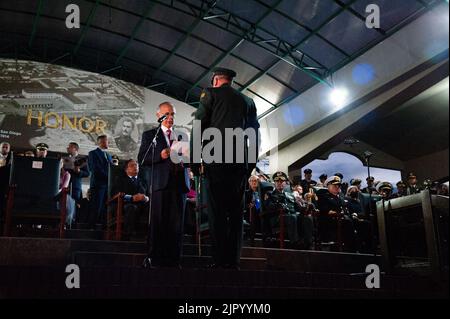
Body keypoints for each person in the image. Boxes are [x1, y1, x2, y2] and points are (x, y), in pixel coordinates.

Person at [191, 67, 259, 269]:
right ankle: (234, 261)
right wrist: (250, 165)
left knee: (217, 212)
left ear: (216, 80)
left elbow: (198, 126)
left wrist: (196, 161)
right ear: (230, 81)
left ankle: (220, 260)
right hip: (239, 164)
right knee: (236, 214)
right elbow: (254, 134)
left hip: (216, 161)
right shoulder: (248, 101)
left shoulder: (210, 94)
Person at [138, 102, 190, 268]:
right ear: (158, 115)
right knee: (158, 222)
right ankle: (154, 257)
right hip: (160, 184)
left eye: (173, 114)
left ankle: (174, 259)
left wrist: (187, 159)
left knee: (176, 224)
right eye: (167, 114)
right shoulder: (150, 135)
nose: (170, 118)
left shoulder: (182, 136)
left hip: (179, 185)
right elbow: (142, 159)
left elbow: (189, 161)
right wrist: (160, 155)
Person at [263, 172, 314, 249]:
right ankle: (295, 242)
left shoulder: (290, 195)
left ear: (285, 183)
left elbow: (298, 208)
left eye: (282, 181)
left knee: (307, 218)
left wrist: (306, 206)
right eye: (277, 181)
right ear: (274, 183)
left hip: (292, 217)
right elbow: (268, 207)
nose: (280, 183)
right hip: (277, 218)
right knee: (292, 217)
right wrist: (278, 205)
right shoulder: (270, 194)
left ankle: (308, 242)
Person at [316, 176, 356, 252]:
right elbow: (325, 210)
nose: (337, 187)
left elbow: (347, 208)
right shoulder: (323, 196)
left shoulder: (340, 197)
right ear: (328, 185)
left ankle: (365, 247)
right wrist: (338, 213)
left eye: (338, 185)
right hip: (330, 221)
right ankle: (351, 248)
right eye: (335, 185)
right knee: (347, 222)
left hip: (343, 218)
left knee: (364, 223)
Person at [112, 159, 149, 240]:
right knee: (131, 207)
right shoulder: (120, 180)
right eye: (132, 165)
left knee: (155, 208)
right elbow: (116, 194)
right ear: (126, 170)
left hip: (142, 204)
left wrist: (146, 198)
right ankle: (128, 236)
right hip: (124, 204)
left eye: (136, 165)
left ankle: (151, 236)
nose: (135, 166)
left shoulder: (143, 181)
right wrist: (131, 198)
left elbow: (148, 195)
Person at [88, 135, 113, 228]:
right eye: (106, 141)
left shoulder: (108, 155)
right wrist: (109, 177)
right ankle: (91, 227)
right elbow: (95, 169)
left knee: (105, 208)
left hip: (108, 186)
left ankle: (103, 227)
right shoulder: (93, 153)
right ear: (101, 142)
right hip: (98, 185)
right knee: (96, 207)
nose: (108, 143)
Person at [0, 142, 11, 217]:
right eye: (3, 147)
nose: (4, 149)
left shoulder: (12, 158)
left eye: (6, 147)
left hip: (5, 185)